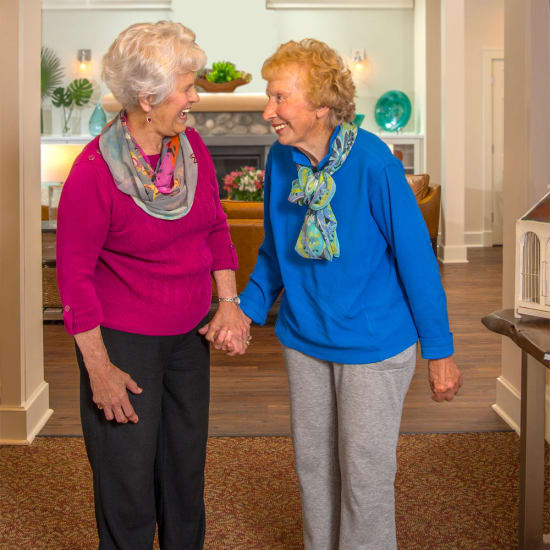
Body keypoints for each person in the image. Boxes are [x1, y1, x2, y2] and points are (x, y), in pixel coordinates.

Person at [236, 39, 463, 550]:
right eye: (267, 97)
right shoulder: (281, 161)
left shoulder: (373, 161)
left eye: (279, 98)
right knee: (313, 467)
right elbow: (276, 250)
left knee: (363, 476)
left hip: (375, 343)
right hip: (304, 338)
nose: (267, 111)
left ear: (320, 106)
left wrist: (440, 350)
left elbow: (416, 259)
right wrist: (243, 311)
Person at [56, 21, 249, 550]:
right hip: (122, 346)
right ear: (147, 98)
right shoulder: (93, 173)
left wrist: (228, 304)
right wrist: (99, 369)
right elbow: (73, 280)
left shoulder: (192, 152)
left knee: (185, 476)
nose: (194, 97)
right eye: (186, 86)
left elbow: (214, 226)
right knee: (128, 484)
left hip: (189, 338)